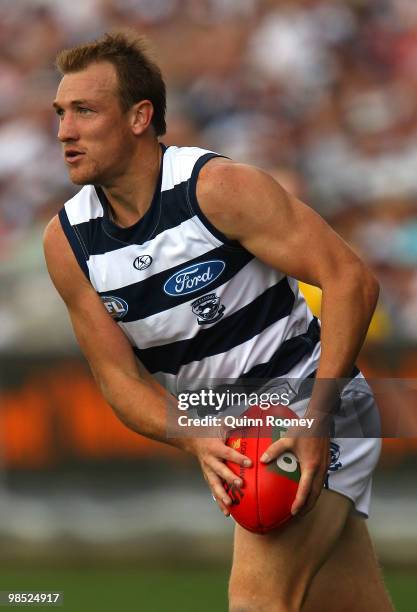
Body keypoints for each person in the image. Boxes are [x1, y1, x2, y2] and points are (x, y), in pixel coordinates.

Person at [43, 32, 393, 611]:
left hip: (310, 404)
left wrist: (317, 416)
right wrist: (193, 431)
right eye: (60, 113)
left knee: (255, 602)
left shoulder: (218, 188)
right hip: (230, 426)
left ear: (139, 117)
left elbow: (352, 279)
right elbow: (120, 383)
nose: (64, 131)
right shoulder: (68, 243)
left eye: (84, 110)